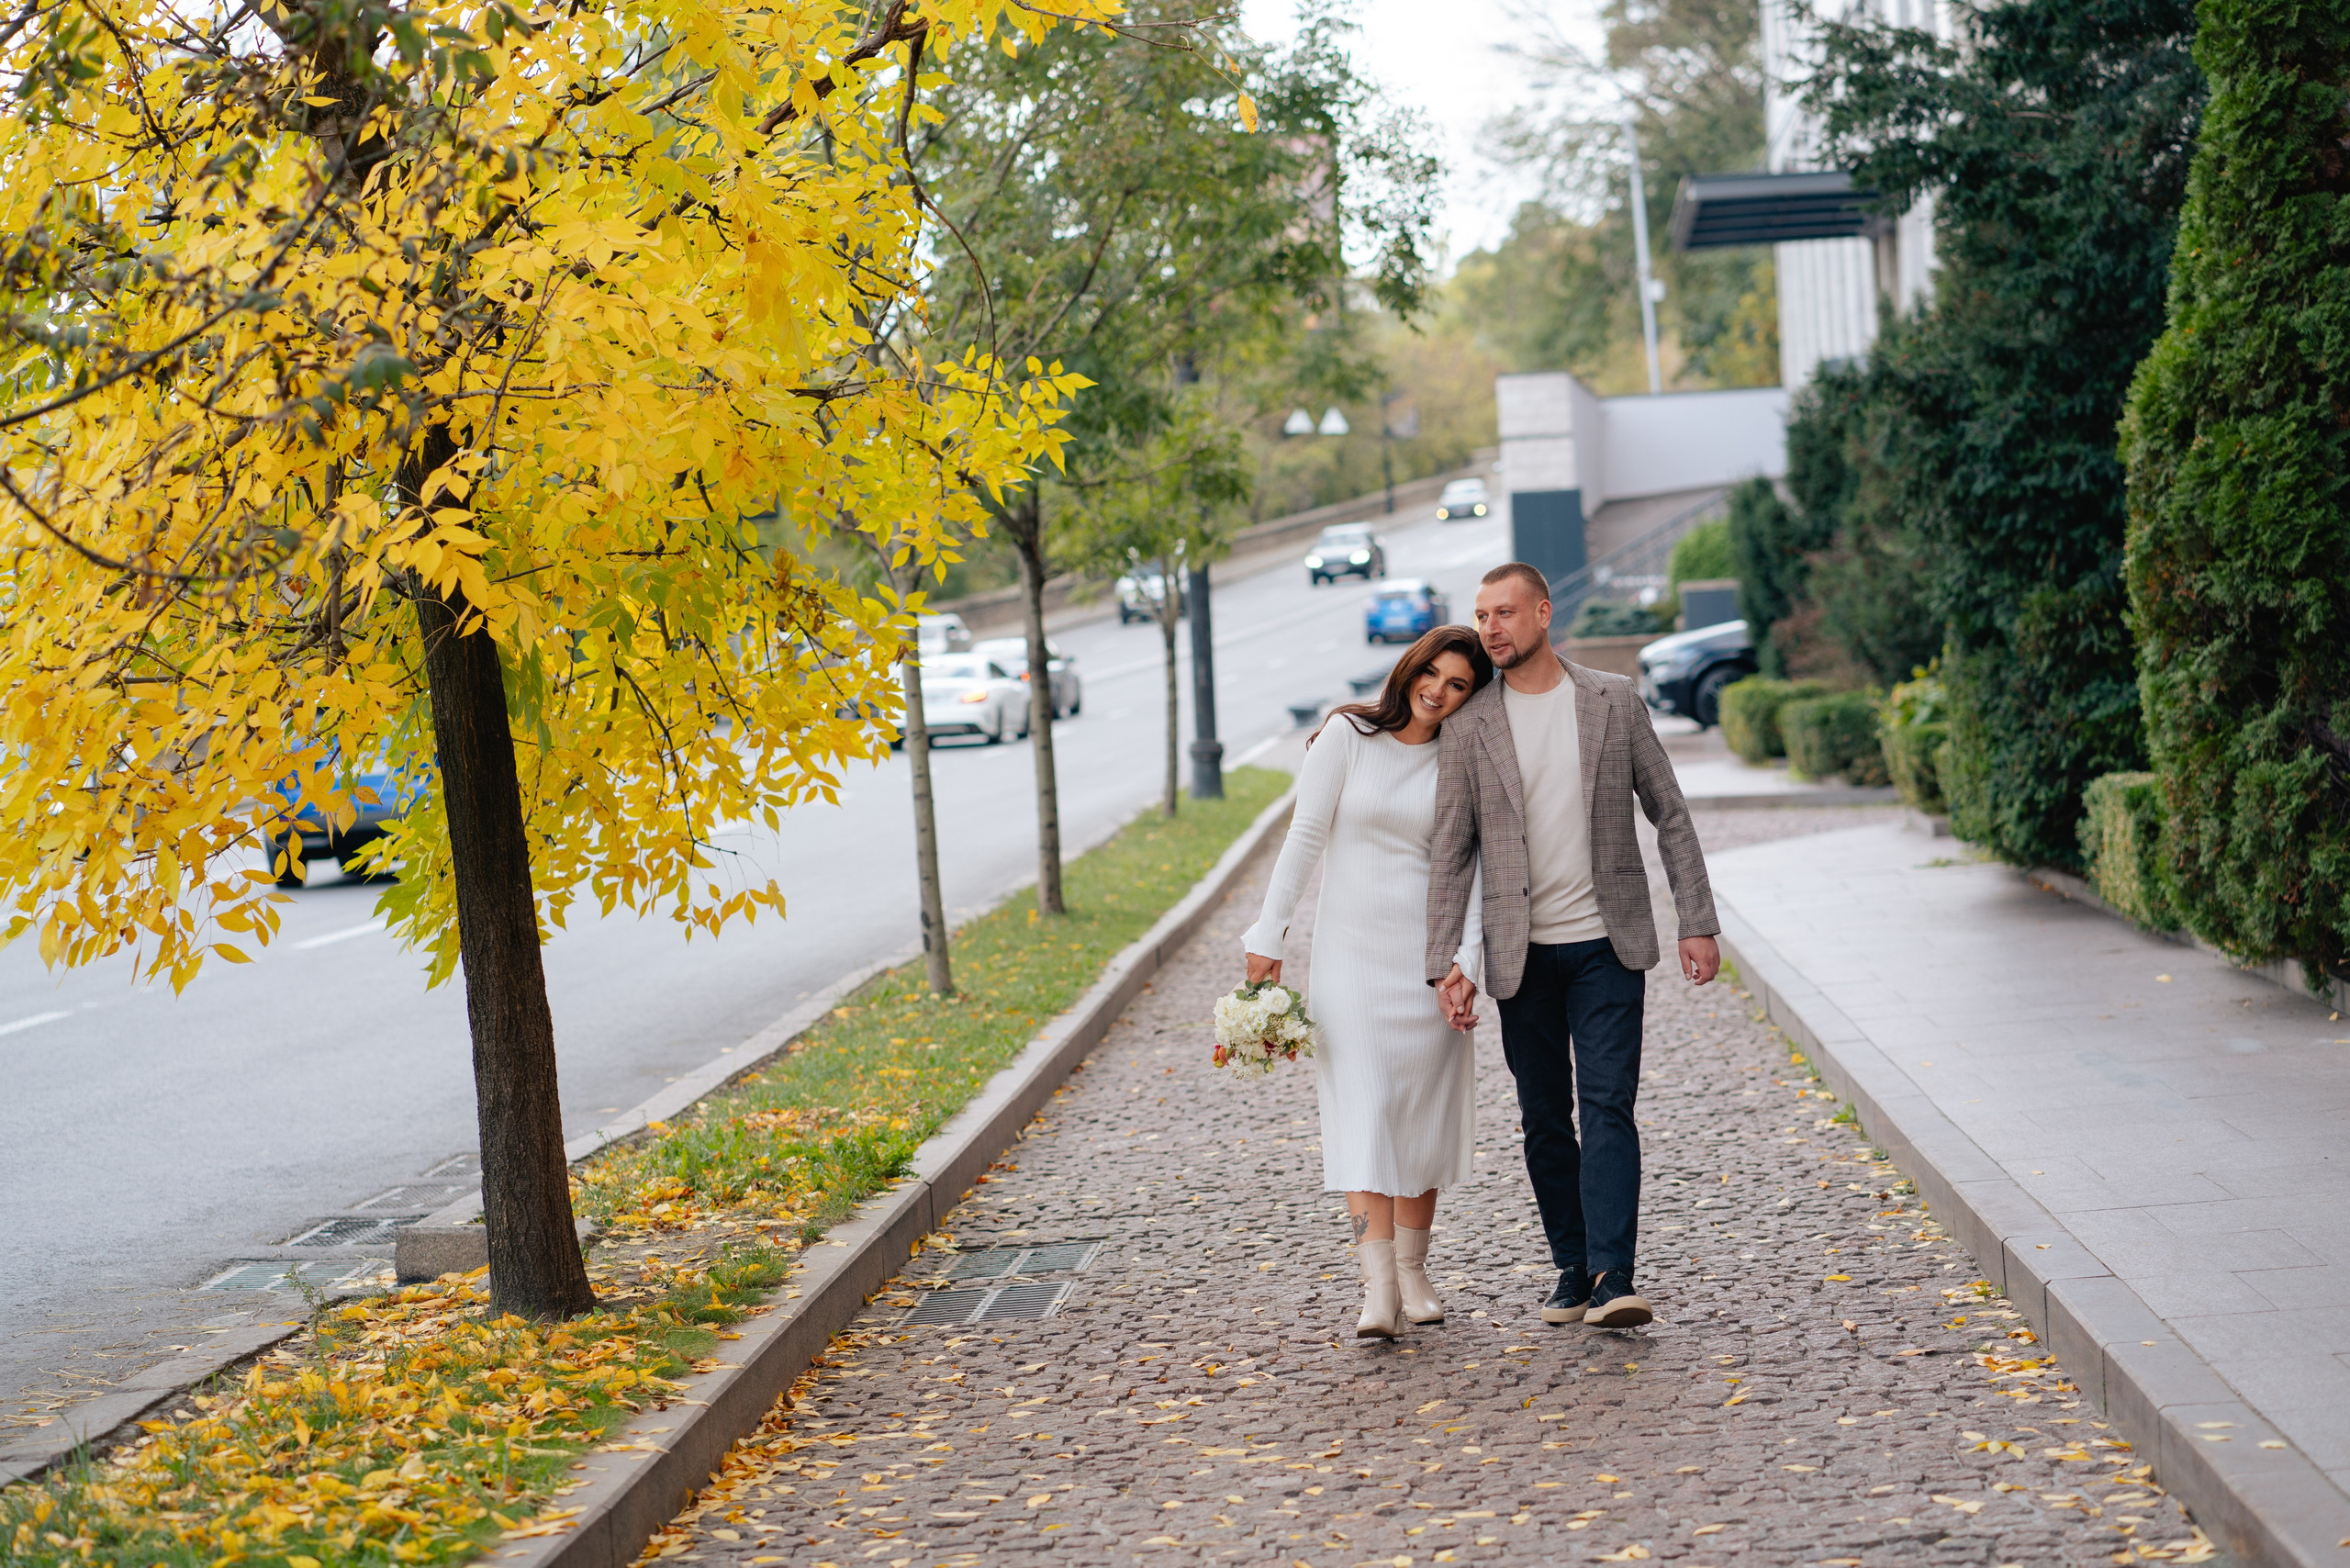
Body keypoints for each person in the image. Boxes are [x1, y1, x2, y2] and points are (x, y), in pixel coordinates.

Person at [1426, 562, 1720, 1330]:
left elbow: (1671, 813)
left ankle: (1613, 1274)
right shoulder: (1469, 726)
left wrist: (1696, 918)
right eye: (1481, 615)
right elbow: (1452, 851)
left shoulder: (1614, 701)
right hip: (1520, 956)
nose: (1491, 628)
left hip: (1606, 945)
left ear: (1543, 613)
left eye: (1504, 612)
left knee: (1608, 1105)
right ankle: (1571, 1264)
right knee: (1545, 1118)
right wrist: (1445, 963)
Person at [1241, 625, 1494, 1339]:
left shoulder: (1463, 758)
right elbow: (1303, 837)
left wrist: (1466, 961)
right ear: (1410, 667)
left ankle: (1413, 1271)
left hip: (1427, 965)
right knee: (1364, 1111)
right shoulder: (1347, 736)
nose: (1438, 692)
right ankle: (1377, 1285)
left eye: (1458, 686)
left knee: (1421, 1115)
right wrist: (1268, 935)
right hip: (1350, 962)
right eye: (1432, 674)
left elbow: (1476, 867)